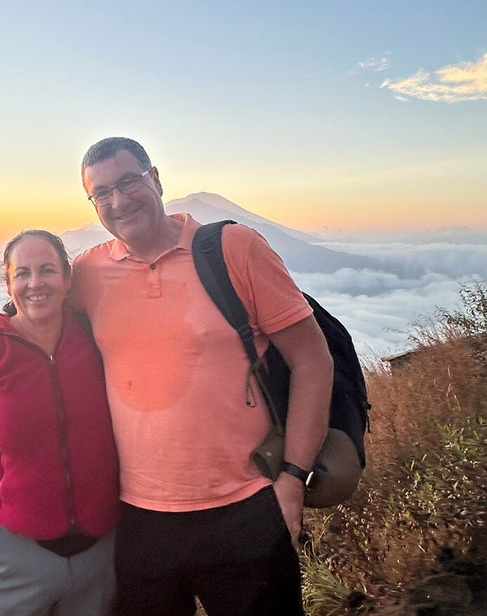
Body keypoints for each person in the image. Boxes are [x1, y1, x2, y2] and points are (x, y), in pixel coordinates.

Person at [71, 137, 334, 616]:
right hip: (138, 521)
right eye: (102, 192)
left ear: (155, 178)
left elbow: (313, 360)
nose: (118, 200)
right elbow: (31, 315)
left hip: (247, 508)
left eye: (129, 181)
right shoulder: (88, 273)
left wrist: (294, 479)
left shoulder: (235, 249)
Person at [0, 230, 120, 616]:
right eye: (22, 273)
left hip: (98, 555)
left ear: (67, 279)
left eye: (47, 270)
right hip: (9, 557)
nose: (35, 283)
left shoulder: (97, 338)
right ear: (8, 284)